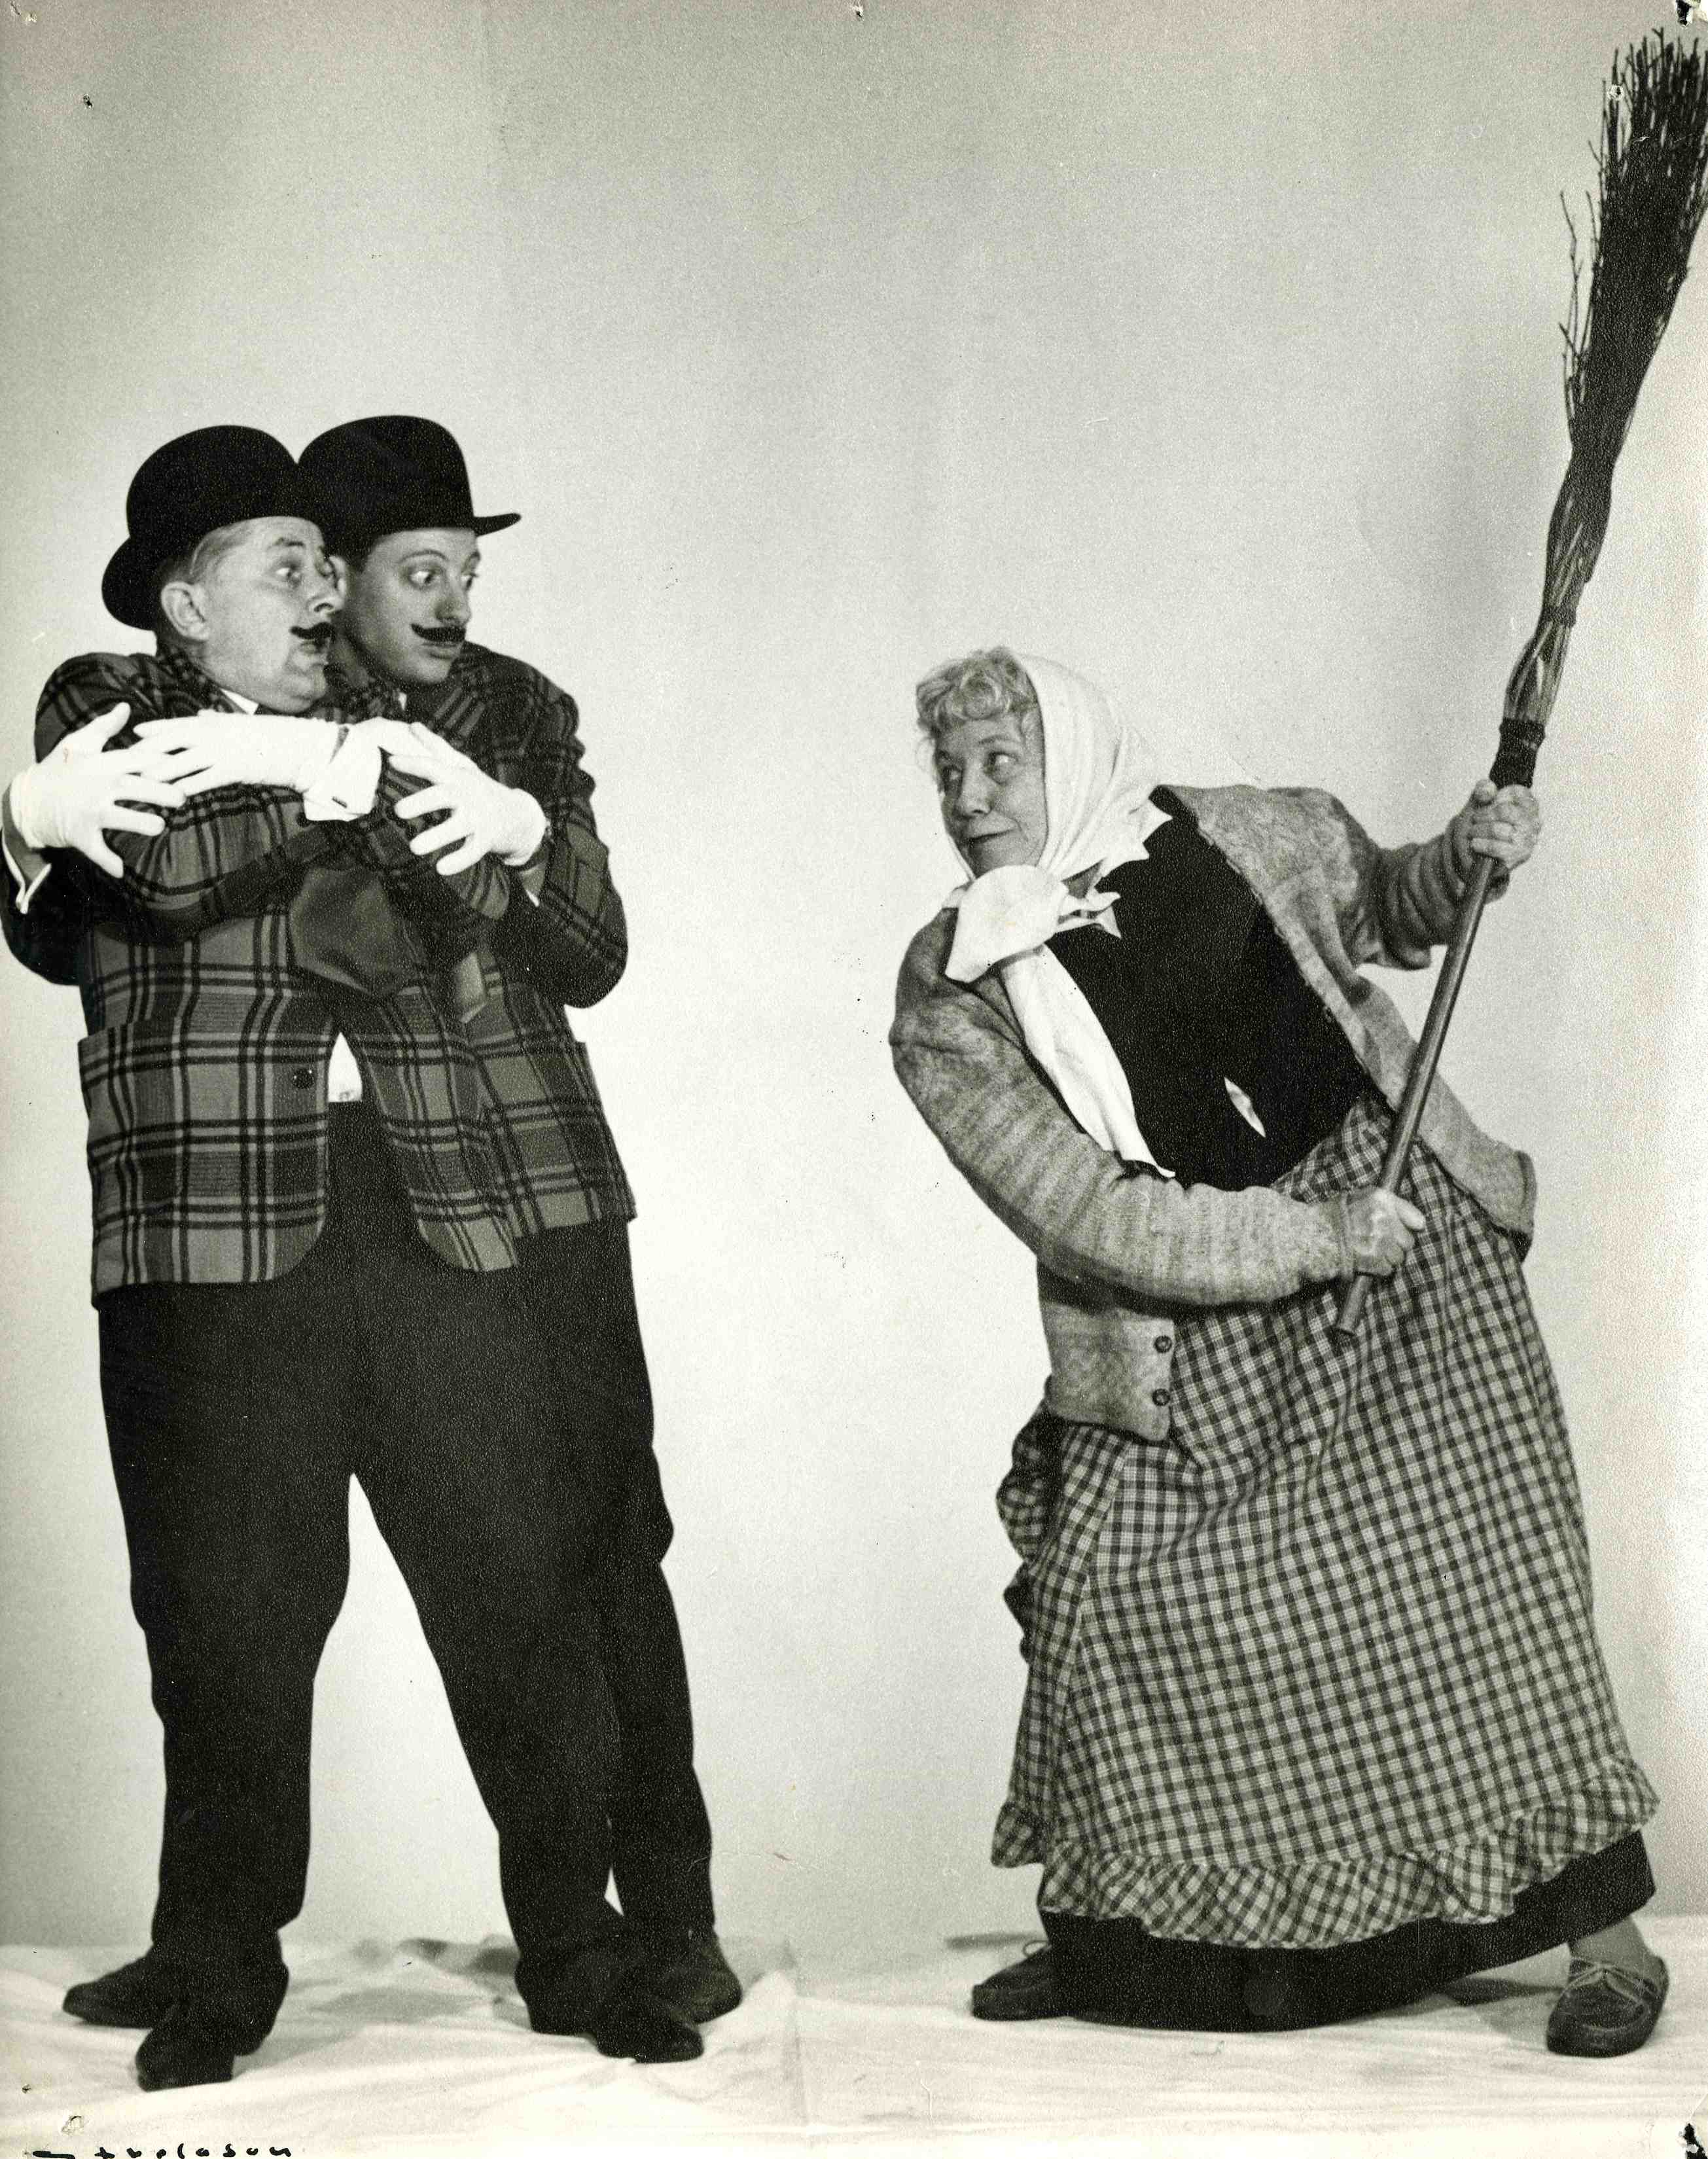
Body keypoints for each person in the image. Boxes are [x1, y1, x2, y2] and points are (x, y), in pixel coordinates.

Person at [8, 425, 705, 2088]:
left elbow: (498, 907)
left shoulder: (397, 723)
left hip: (425, 1201)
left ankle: (580, 1947)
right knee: (229, 1623)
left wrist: (381, 785)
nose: (329, 593)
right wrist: (311, 782)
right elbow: (153, 866)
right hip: (207, 1235)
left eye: (332, 565)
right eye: (287, 567)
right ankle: (219, 1972)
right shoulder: (98, 703)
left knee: (517, 1591)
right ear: (186, 606)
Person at [889, 647, 1667, 2058]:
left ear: (1074, 750)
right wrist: (1307, 1241)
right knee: (1107, 1593)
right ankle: (1137, 1937)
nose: (969, 796)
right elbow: (1087, 1211)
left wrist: (1468, 853)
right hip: (1201, 1300)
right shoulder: (950, 993)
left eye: (1001, 762)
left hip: (1404, 1236)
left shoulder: (1243, 829)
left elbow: (1391, 903)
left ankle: (1605, 1942)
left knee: (1475, 1580)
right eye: (950, 771)